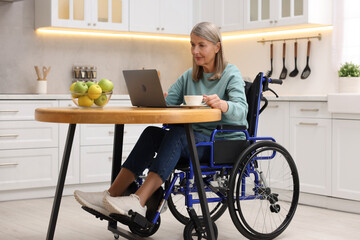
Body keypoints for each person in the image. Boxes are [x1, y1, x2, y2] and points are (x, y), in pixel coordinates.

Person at [74, 22, 248, 219]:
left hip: (218, 143)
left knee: (179, 134)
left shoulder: (230, 74)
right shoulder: (189, 77)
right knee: (152, 134)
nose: (195, 51)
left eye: (201, 45)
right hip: (192, 139)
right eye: (192, 45)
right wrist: (158, 98)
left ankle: (139, 200)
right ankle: (111, 194)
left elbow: (242, 111)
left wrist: (224, 104)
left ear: (217, 47)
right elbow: (166, 104)